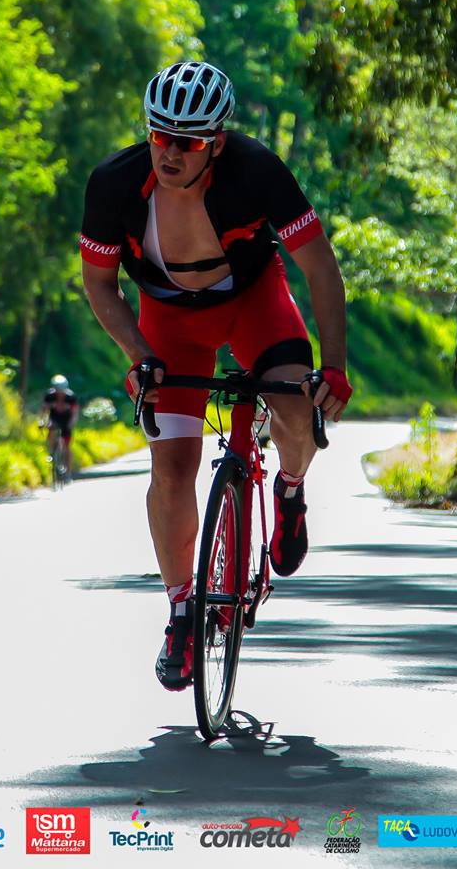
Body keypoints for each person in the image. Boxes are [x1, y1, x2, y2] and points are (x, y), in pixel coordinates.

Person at [81, 61, 352, 692]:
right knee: (171, 469)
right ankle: (181, 611)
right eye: (159, 135)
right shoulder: (115, 184)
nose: (170, 152)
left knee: (293, 407)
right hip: (170, 322)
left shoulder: (257, 172)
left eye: (189, 141)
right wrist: (140, 354)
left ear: (217, 143)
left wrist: (333, 366)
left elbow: (320, 268)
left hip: (254, 299)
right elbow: (100, 285)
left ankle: (288, 488)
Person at [40, 375, 79, 476]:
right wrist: (41, 421)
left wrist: (72, 423)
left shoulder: (71, 397)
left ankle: (68, 472)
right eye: (57, 389)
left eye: (61, 389)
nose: (59, 392)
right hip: (54, 419)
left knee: (67, 447)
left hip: (66, 420)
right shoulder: (49, 396)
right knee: (51, 429)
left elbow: (75, 413)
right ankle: (52, 451)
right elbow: (44, 410)